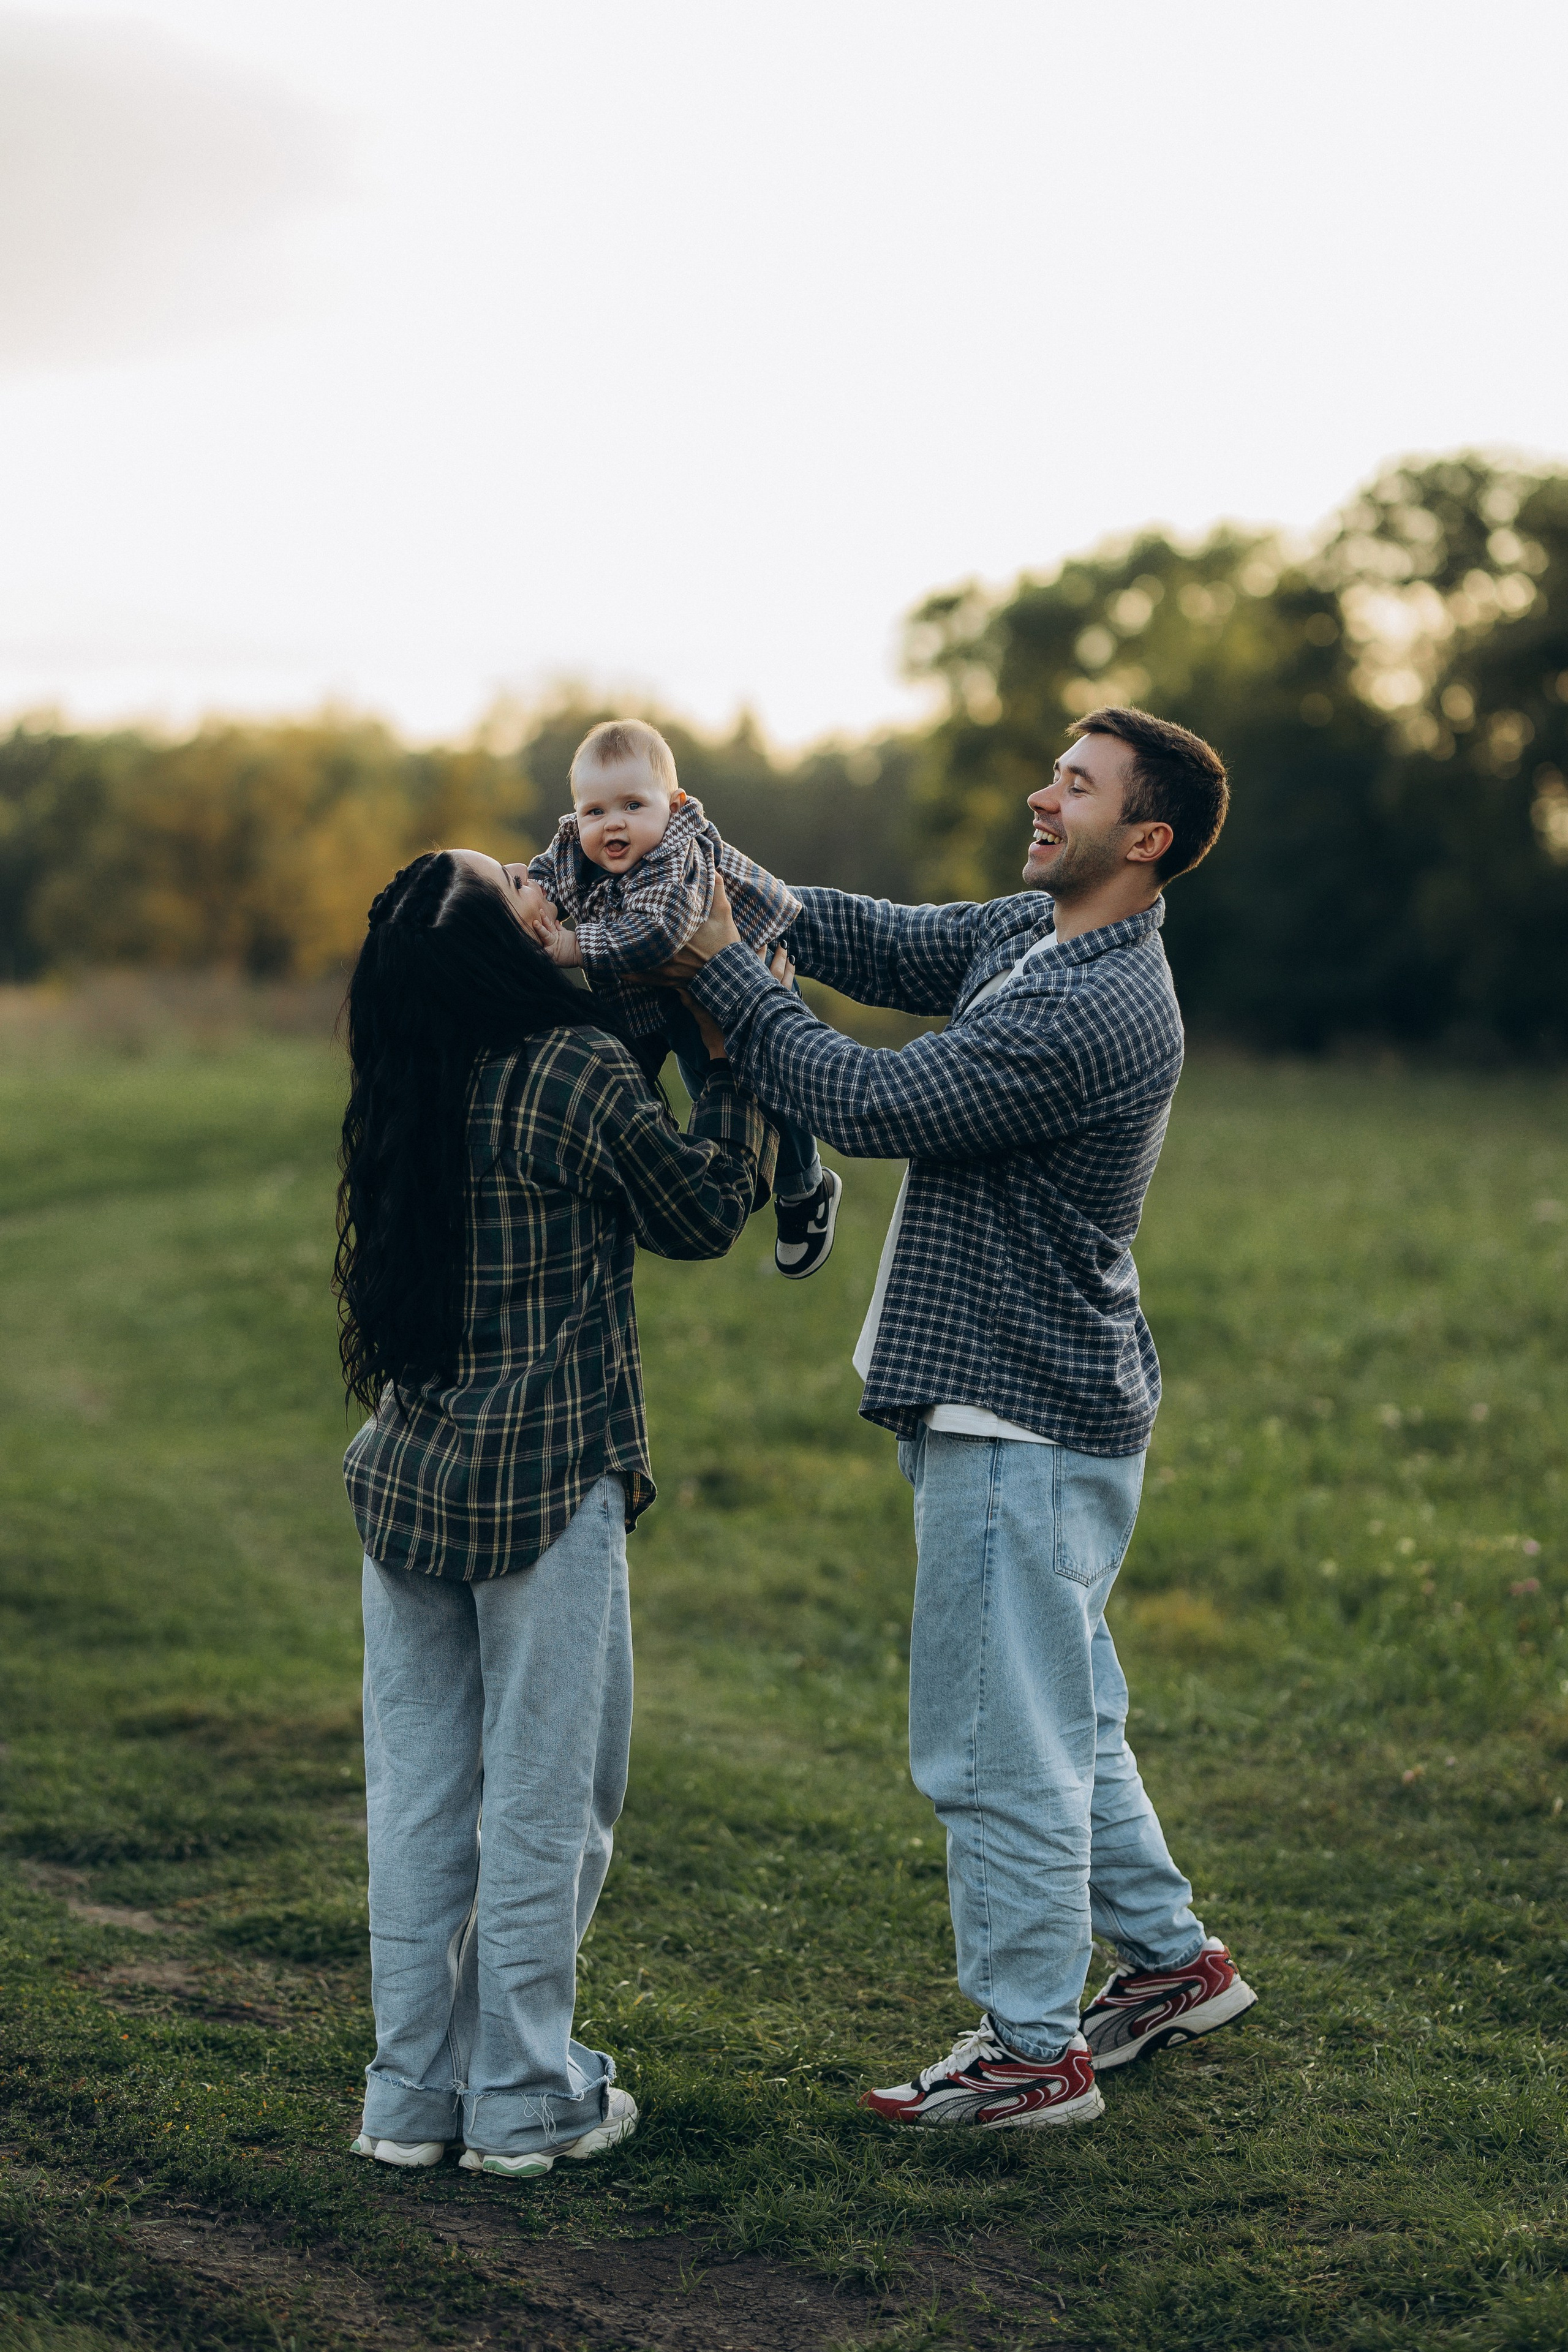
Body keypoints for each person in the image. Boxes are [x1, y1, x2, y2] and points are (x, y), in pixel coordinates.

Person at [662, 705, 1257, 2130]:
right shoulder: (1032, 934)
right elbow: (873, 937)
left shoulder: (1092, 1004)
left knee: (996, 1736)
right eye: (1053, 773)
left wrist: (718, 971)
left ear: (1144, 835)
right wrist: (696, 848)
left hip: (1018, 1411)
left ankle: (1027, 2050)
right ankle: (1171, 1963)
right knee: (1069, 1715)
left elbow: (861, 1098)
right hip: (1039, 1399)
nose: (1041, 796)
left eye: (1075, 784)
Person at [333, 846, 773, 2177]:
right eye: (514, 887)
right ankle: (524, 2101)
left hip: (407, 1479)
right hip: (544, 1483)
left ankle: (409, 2100)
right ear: (498, 946)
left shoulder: (404, 1078)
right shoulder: (569, 1073)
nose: (543, 882)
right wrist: (737, 1049)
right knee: (547, 1805)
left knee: (417, 1803)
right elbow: (701, 1210)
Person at [509, 717, 843, 1279]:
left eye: (633, 806)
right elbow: (544, 880)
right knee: (620, 1080)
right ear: (576, 815)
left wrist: (572, 944)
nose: (613, 824)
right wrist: (527, 908)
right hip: (638, 996)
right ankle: (649, 1166)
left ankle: (802, 1186)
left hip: (719, 985)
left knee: (747, 1080)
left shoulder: (677, 852)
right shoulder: (576, 845)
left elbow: (661, 932)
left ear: (674, 803)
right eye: (595, 812)